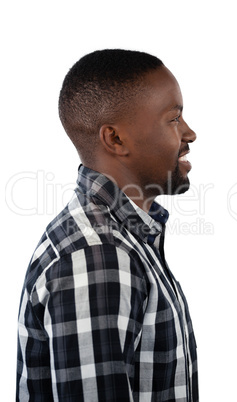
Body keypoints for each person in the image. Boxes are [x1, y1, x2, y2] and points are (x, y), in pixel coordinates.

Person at [16, 49, 198, 401]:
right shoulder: (97, 256)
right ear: (115, 139)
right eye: (174, 119)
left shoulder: (122, 239)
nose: (190, 133)